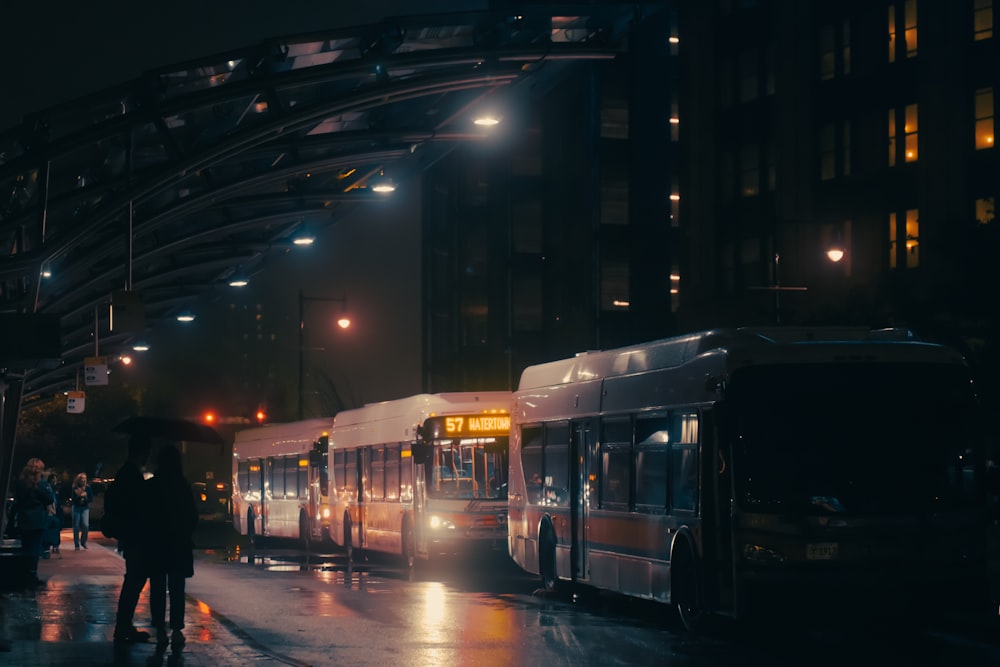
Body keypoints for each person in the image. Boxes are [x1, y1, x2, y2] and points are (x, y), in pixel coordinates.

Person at [146, 444, 198, 649]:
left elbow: (145, 515)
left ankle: (159, 629)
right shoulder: (183, 486)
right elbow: (192, 516)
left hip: (157, 544)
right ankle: (176, 630)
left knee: (157, 588)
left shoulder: (152, 485)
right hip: (178, 543)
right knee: (177, 589)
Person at [110, 434, 153, 645]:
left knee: (133, 581)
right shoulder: (131, 475)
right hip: (135, 536)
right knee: (134, 581)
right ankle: (124, 626)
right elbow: (138, 507)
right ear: (143, 452)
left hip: (129, 535)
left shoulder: (125, 473)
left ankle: (124, 625)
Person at [13, 457, 54, 588]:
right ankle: (32, 575)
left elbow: (18, 500)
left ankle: (23, 575)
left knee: (25, 548)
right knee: (35, 549)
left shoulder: (21, 483)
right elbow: (49, 499)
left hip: (24, 519)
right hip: (38, 520)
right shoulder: (41, 484)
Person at [70, 472, 94, 550]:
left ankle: (83, 541)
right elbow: (72, 499)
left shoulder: (88, 488)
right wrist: (79, 496)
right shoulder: (75, 488)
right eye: (82, 478)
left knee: (85, 525)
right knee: (76, 526)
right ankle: (76, 544)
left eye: (85, 478)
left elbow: (91, 499)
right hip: (76, 507)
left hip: (84, 508)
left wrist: (86, 497)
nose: (84, 480)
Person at [41, 472, 62, 558]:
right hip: (49, 513)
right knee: (49, 530)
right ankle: (47, 548)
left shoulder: (52, 489)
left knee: (52, 529)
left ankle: (50, 548)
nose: (55, 481)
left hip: (52, 512)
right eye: (53, 479)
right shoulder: (47, 487)